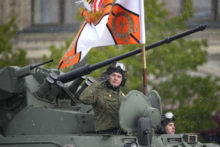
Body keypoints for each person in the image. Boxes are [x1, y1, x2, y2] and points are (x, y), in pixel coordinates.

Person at [80, 62, 127, 133]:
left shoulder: (122, 95)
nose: (116, 78)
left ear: (122, 80)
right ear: (107, 76)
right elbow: (84, 98)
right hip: (105, 134)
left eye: (119, 76)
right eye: (113, 75)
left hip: (121, 133)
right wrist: (98, 82)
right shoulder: (99, 91)